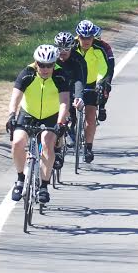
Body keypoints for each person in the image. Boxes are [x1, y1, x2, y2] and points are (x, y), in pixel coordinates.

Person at [5, 44, 71, 204]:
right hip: (28, 114)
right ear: (36, 62)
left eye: (49, 65)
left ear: (55, 64)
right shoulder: (27, 73)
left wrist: (61, 122)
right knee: (18, 143)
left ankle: (43, 186)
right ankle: (20, 179)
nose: (45, 69)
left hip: (51, 115)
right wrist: (12, 115)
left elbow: (64, 101)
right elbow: (15, 98)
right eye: (41, 65)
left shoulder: (60, 76)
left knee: (47, 143)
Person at [74, 19, 115, 162]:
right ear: (78, 37)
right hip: (74, 83)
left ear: (94, 37)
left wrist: (100, 83)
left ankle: (88, 148)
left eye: (89, 38)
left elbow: (105, 68)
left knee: (90, 117)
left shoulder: (99, 48)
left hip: (91, 83)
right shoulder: (71, 47)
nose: (86, 41)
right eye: (83, 38)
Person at [51, 31, 87, 170]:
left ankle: (70, 127)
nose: (62, 52)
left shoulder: (78, 60)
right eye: (59, 48)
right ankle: (58, 147)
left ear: (72, 47)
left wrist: (79, 97)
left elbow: (80, 81)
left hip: (72, 86)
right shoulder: (51, 58)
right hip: (54, 88)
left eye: (66, 49)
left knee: (71, 105)